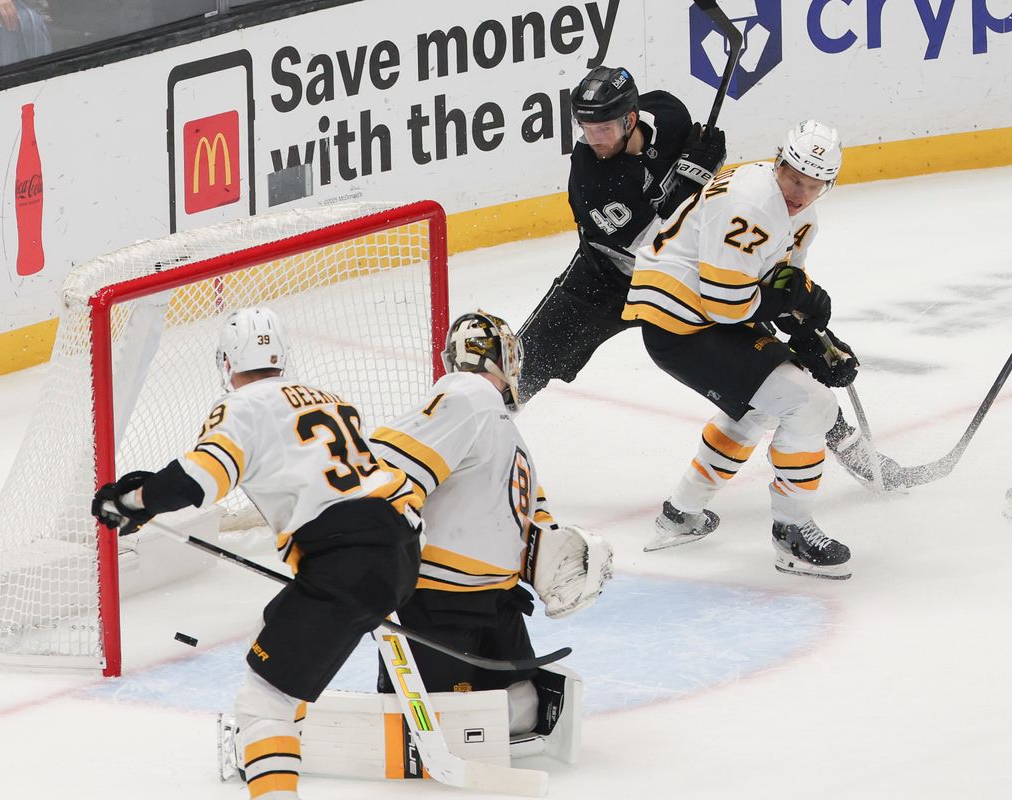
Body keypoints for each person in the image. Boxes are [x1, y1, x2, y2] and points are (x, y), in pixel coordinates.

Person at [92, 307, 423, 800]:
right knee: (273, 641)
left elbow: (199, 479)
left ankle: (270, 751)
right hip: (401, 546)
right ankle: (271, 748)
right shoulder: (330, 398)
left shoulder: (241, 406)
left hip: (342, 559)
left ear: (226, 362)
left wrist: (131, 501)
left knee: (263, 699)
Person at [621, 120, 861, 580]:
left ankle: (681, 514)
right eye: (795, 179)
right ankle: (791, 534)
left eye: (814, 186)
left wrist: (812, 337)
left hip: (699, 319)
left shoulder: (795, 213)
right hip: (683, 325)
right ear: (779, 162)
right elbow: (729, 305)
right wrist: (793, 304)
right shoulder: (750, 206)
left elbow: (776, 286)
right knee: (810, 404)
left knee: (760, 408)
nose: (801, 192)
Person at [368, 311, 612, 737]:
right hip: (441, 602)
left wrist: (548, 549)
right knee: (429, 729)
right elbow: (388, 464)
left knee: (522, 711)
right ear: (503, 359)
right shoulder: (467, 396)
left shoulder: (500, 425)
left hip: (494, 602)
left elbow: (528, 510)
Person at [515, 65, 727, 404]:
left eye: (604, 128)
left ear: (630, 119)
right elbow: (658, 248)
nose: (594, 138)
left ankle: (831, 431)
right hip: (604, 281)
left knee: (756, 360)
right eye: (586, 128)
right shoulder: (591, 179)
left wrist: (703, 171)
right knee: (518, 370)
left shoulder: (669, 115)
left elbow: (695, 222)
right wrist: (692, 183)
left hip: (683, 277)